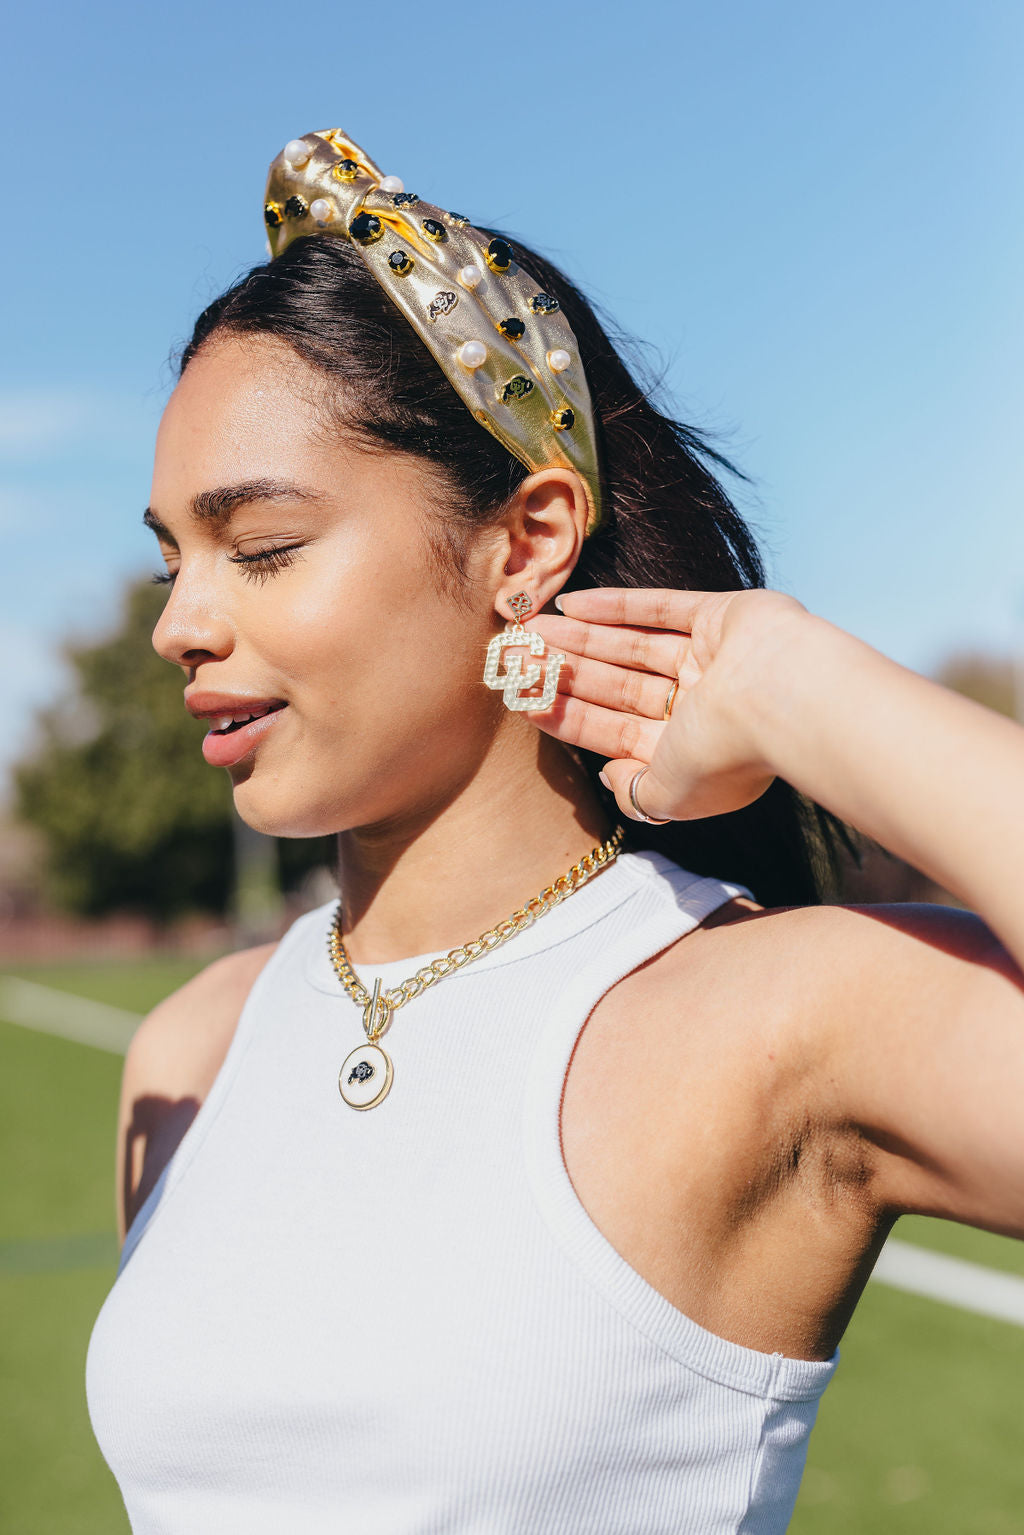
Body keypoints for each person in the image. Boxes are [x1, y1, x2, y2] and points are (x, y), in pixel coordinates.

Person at [86, 128, 1024, 1534]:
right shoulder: (192, 1047)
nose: (179, 624)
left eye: (263, 546)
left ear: (525, 543)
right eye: (175, 556)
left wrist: (794, 686)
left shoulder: (778, 1017)